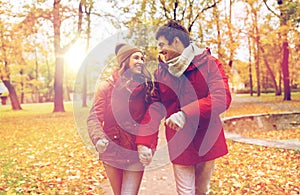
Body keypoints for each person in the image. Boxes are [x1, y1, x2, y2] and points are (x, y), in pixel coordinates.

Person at [135, 20, 232, 195]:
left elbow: (222, 97)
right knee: (185, 192)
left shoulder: (210, 63)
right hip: (180, 142)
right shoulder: (161, 72)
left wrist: (185, 114)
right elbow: (155, 108)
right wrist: (144, 142)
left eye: (162, 44)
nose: (160, 50)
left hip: (206, 138)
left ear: (177, 41)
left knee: (202, 191)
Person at [87, 43, 155, 195]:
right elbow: (94, 117)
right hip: (112, 150)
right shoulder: (106, 86)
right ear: (125, 61)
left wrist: (148, 146)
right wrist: (98, 138)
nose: (141, 61)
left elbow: (151, 120)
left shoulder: (146, 88)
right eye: (136, 57)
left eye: (142, 58)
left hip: (134, 152)